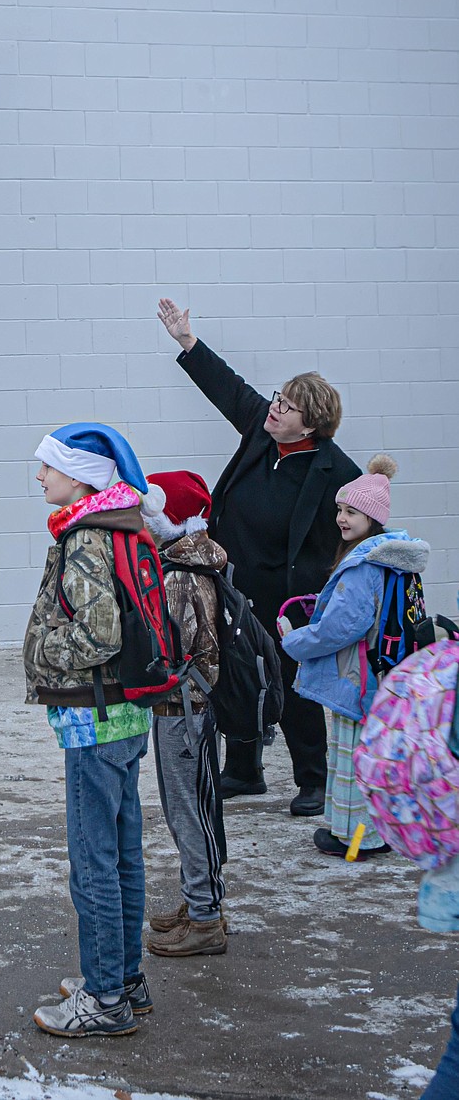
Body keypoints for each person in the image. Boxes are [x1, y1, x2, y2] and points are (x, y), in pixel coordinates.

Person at [157, 297, 360, 816]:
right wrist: (188, 341)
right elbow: (230, 389)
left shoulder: (336, 472)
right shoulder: (260, 433)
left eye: (288, 406)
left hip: (288, 597)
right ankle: (244, 769)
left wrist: (334, 592)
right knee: (232, 675)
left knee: (293, 687)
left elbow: (358, 530)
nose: (275, 407)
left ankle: (313, 779)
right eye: (278, 398)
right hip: (232, 582)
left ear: (310, 425)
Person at [25, 422, 155, 1040]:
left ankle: (103, 998)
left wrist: (43, 653)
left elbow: (99, 633)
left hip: (92, 719)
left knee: (93, 862)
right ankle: (125, 978)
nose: (41, 476)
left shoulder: (84, 537)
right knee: (123, 854)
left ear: (80, 476)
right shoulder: (123, 525)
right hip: (128, 714)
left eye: (48, 466)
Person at [279, 455, 426, 859]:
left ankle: (357, 841)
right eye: (340, 510)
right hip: (389, 675)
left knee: (353, 761)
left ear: (372, 517)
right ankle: (383, 833)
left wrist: (295, 642)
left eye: (352, 512)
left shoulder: (362, 566)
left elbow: (340, 629)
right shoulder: (396, 559)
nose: (342, 519)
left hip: (360, 682)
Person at [141, 470, 229, 958]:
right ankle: (204, 899)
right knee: (194, 807)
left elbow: (170, 651)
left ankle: (204, 917)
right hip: (188, 710)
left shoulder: (180, 576)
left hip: (183, 712)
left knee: (188, 812)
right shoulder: (191, 563)